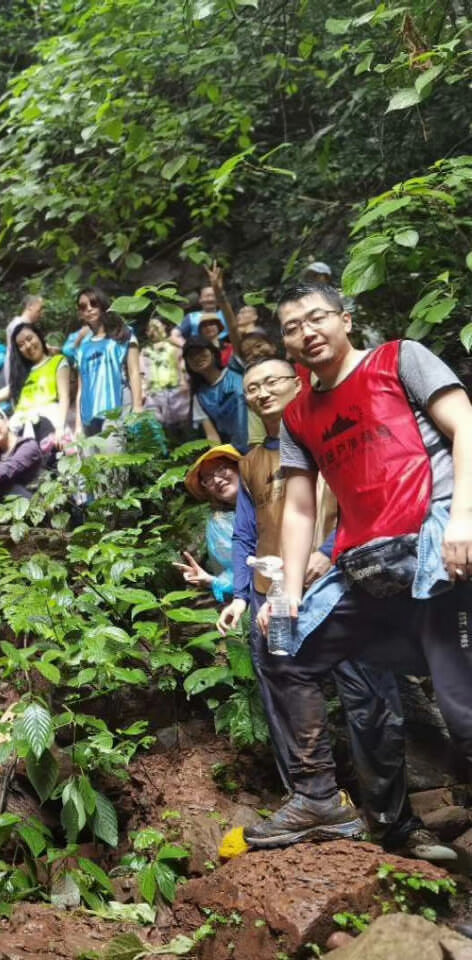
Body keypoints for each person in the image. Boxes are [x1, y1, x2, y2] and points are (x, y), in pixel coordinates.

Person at [248, 282, 472, 850]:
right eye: (294, 326)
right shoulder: (301, 415)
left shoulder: (399, 359)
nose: (307, 332)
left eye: (317, 317)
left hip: (434, 545)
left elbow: (465, 424)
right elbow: (299, 507)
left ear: (346, 319)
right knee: (283, 641)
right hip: (365, 563)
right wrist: (289, 591)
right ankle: (319, 799)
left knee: (463, 710)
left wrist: (463, 520)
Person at [214, 357, 449, 860]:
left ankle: (396, 823)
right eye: (252, 387)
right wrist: (242, 593)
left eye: (273, 381)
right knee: (284, 696)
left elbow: (369, 502)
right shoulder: (253, 460)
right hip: (274, 596)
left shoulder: (334, 432)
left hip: (347, 583)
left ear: (298, 382)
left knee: (373, 701)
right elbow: (244, 534)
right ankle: (314, 803)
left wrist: (327, 555)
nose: (262, 392)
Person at [174, 445, 240, 605]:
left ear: (238, 467)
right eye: (208, 478)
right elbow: (236, 576)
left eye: (222, 469)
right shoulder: (219, 524)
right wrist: (211, 581)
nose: (217, 480)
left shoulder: (270, 496)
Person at [0, 321, 70, 446]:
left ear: (39, 337)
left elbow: (64, 397)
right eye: (21, 345)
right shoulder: (22, 376)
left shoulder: (57, 362)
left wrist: (60, 427)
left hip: (49, 423)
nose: (28, 346)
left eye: (29, 338)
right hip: (21, 428)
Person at [75, 304, 143, 437]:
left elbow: (134, 372)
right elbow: (81, 388)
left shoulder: (122, 335)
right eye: (83, 307)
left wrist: (137, 406)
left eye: (93, 304)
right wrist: (78, 425)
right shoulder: (84, 346)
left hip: (117, 404)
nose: (89, 309)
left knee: (115, 449)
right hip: (90, 411)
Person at [184, 336, 248, 451]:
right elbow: (212, 437)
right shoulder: (199, 398)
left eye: (201, 351)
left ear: (213, 352)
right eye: (191, 356)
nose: (197, 357)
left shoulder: (237, 368)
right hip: (237, 453)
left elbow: (235, 334)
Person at [141, 318, 189, 429]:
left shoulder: (174, 346)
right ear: (147, 332)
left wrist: (184, 380)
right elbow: (142, 373)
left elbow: (181, 365)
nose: (154, 331)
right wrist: (143, 390)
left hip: (176, 390)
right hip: (154, 393)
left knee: (182, 425)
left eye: (157, 327)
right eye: (150, 328)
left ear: (164, 327)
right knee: (158, 427)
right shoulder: (145, 351)